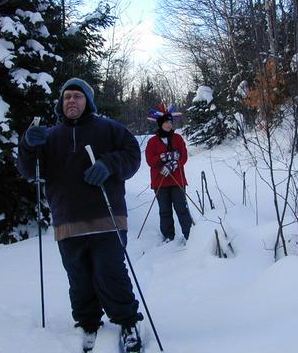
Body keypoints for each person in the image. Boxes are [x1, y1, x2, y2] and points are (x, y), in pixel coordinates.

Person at [17, 77, 143, 353]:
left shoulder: (108, 129)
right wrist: (27, 145)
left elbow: (133, 155)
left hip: (106, 218)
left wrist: (109, 164)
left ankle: (128, 321)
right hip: (67, 220)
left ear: (88, 101)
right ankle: (88, 323)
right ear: (61, 104)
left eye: (77, 95)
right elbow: (29, 170)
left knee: (110, 273)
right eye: (66, 97)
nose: (71, 101)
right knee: (79, 278)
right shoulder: (49, 136)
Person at [145, 105, 193, 244]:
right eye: (166, 122)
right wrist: (164, 157)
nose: (169, 124)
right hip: (160, 181)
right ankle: (168, 236)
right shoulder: (152, 141)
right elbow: (150, 160)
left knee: (181, 209)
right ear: (160, 123)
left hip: (177, 180)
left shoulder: (177, 138)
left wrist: (174, 164)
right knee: (165, 211)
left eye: (171, 122)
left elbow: (183, 156)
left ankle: (189, 235)